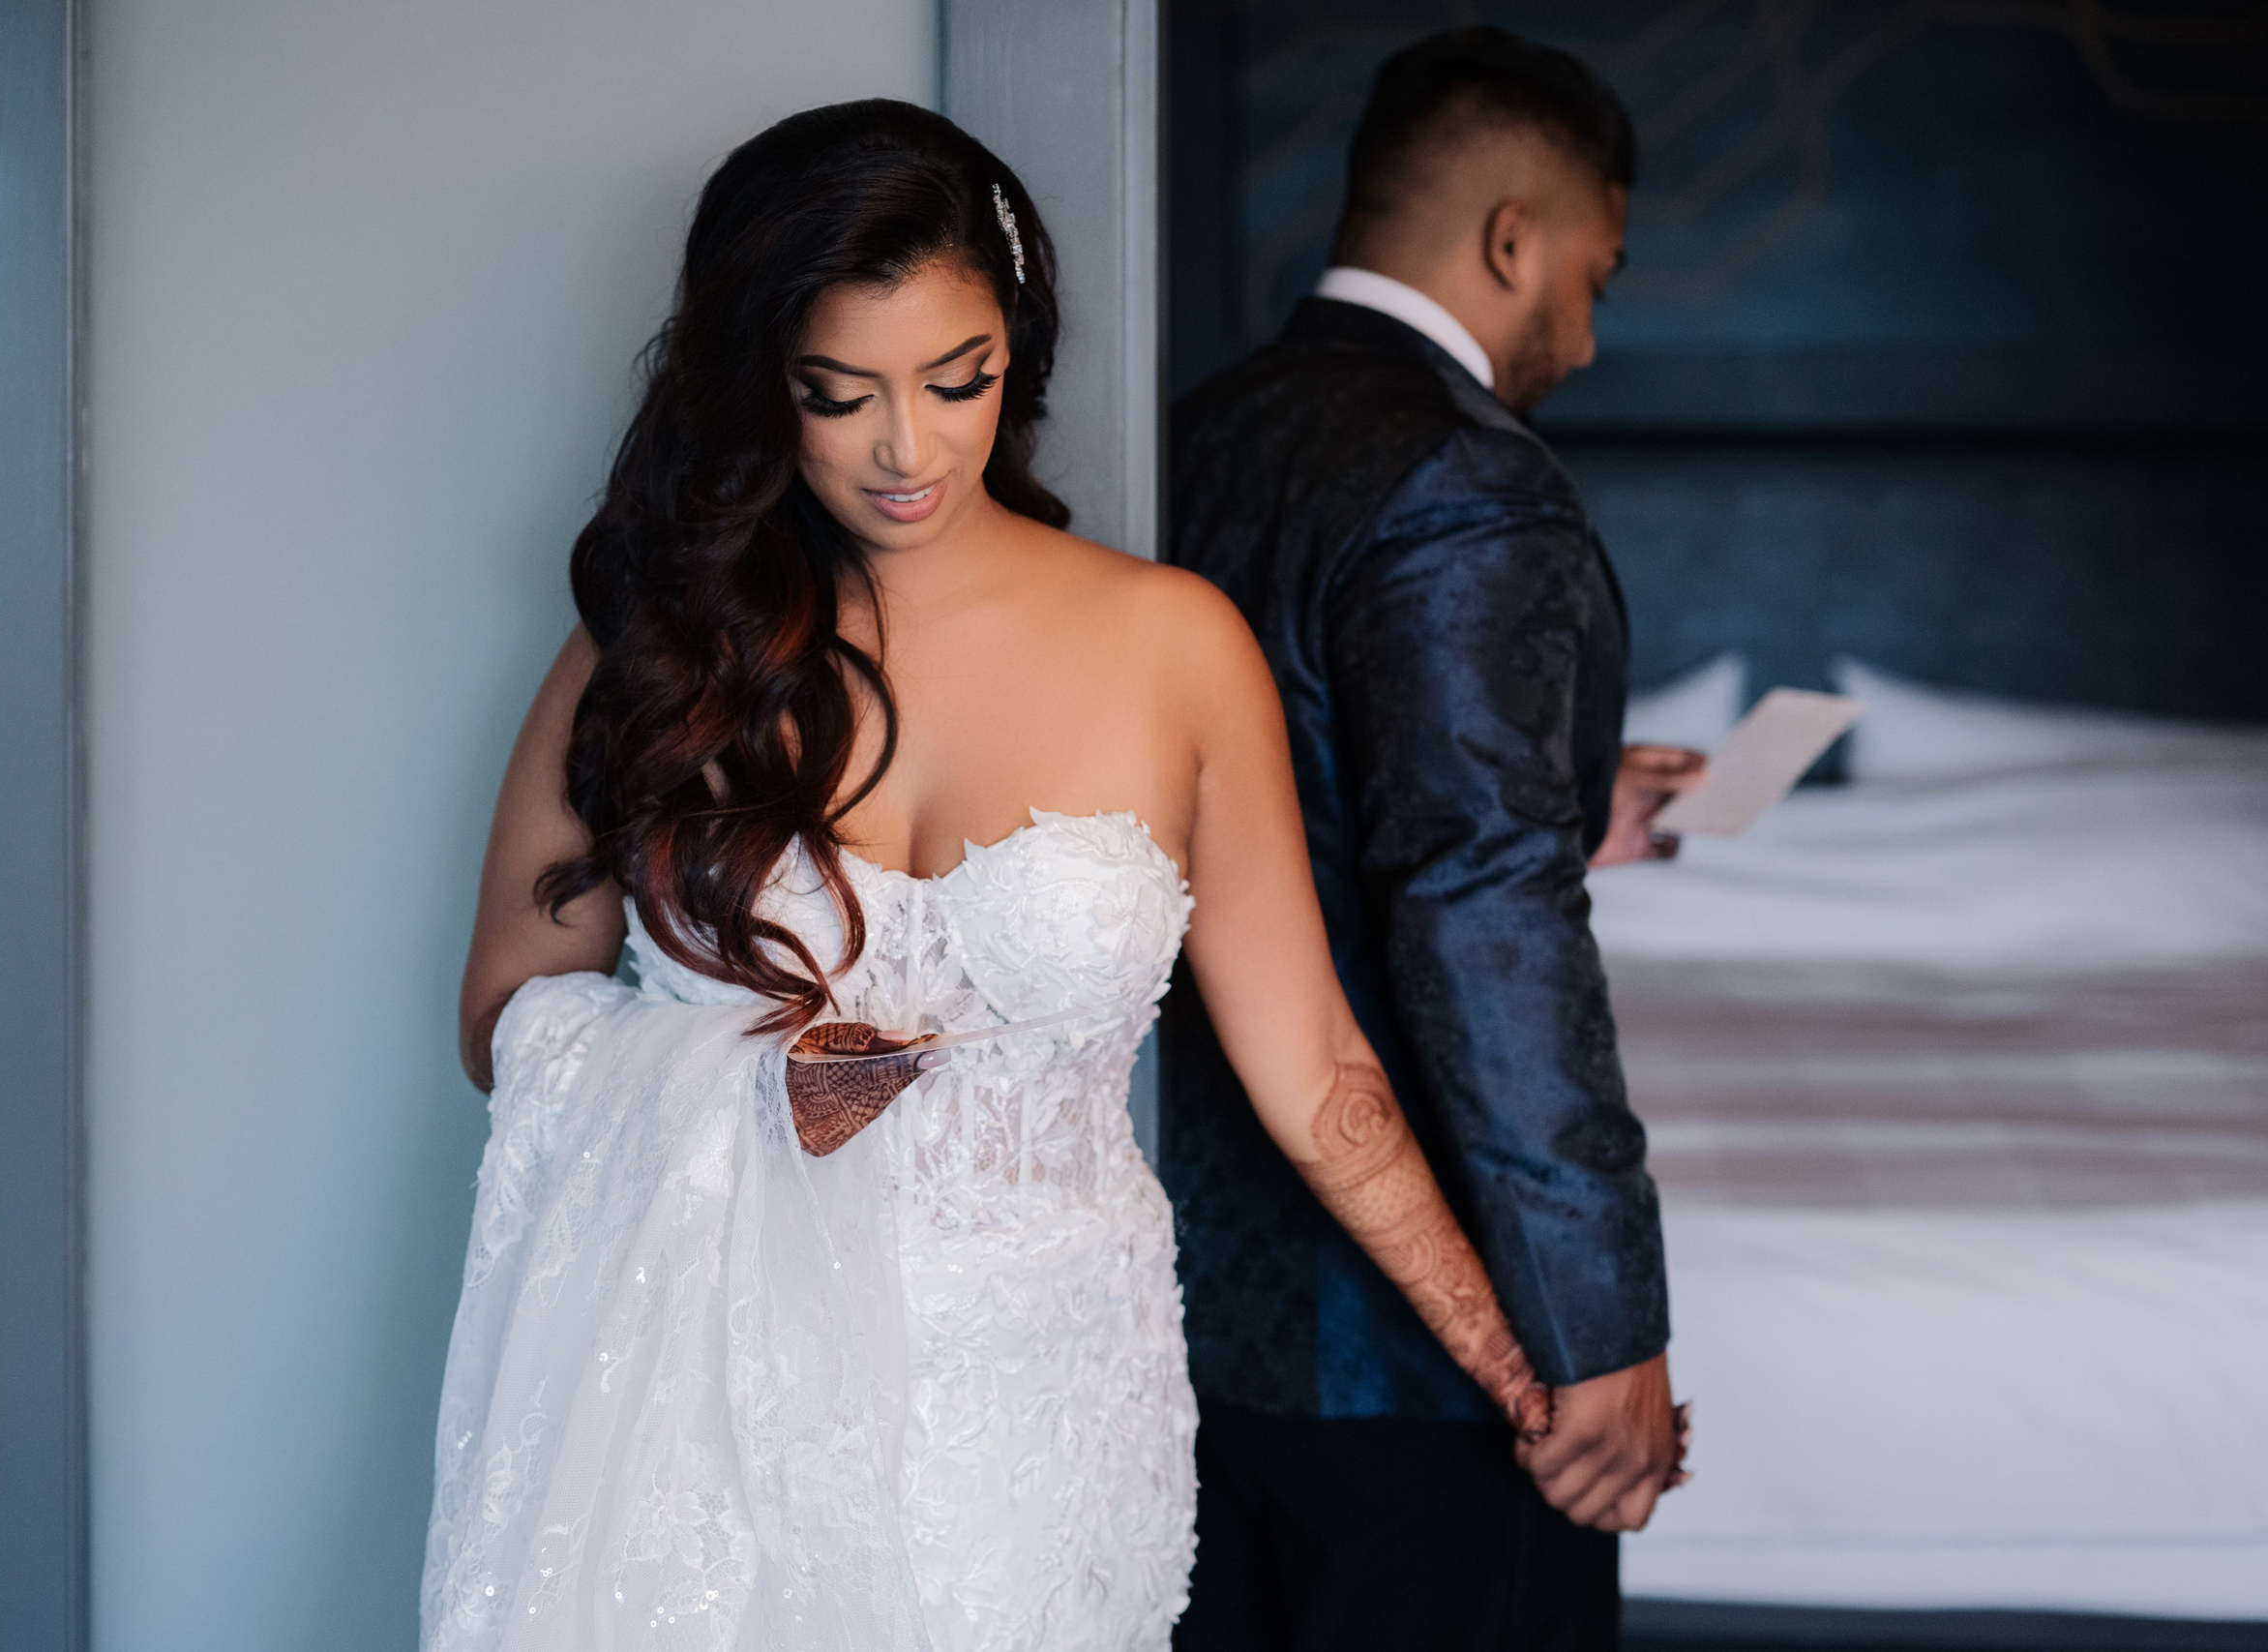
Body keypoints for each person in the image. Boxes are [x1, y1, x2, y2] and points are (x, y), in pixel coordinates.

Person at [420, 99, 1550, 1652]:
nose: (907, 450)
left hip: (1045, 1406)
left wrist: (1504, 1356)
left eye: (960, 383)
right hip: (719, 1400)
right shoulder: (659, 649)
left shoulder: (1173, 646)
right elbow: (504, 1012)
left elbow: (1316, 1067)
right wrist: (754, 1084)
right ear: (762, 386)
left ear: (1016, 351)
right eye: (841, 395)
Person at [1163, 28, 1699, 1652]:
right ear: (1512, 238)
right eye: (1591, 277)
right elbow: (1482, 919)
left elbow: (1281, 804)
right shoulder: (1468, 479)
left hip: (1186, 1292)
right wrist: (1597, 1324)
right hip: (1418, 1346)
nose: (1589, 339)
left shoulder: (1188, 436)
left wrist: (1560, 806)